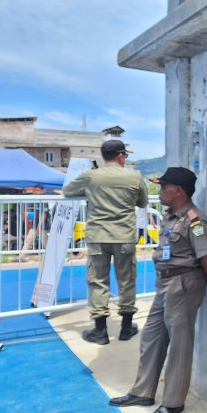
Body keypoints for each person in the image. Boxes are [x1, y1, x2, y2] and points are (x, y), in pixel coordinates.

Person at [109, 167, 207, 413]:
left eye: (164, 186)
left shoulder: (195, 221)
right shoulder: (171, 217)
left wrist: (192, 284)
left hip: (183, 284)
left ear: (178, 190)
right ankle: (142, 392)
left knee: (179, 345)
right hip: (165, 284)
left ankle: (172, 402)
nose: (160, 191)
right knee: (151, 337)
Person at [63, 139, 148, 344]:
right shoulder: (134, 176)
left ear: (103, 156)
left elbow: (68, 191)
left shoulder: (91, 176)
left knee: (98, 281)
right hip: (124, 236)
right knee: (127, 281)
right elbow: (143, 202)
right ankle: (126, 328)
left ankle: (100, 331)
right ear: (120, 155)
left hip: (98, 237)